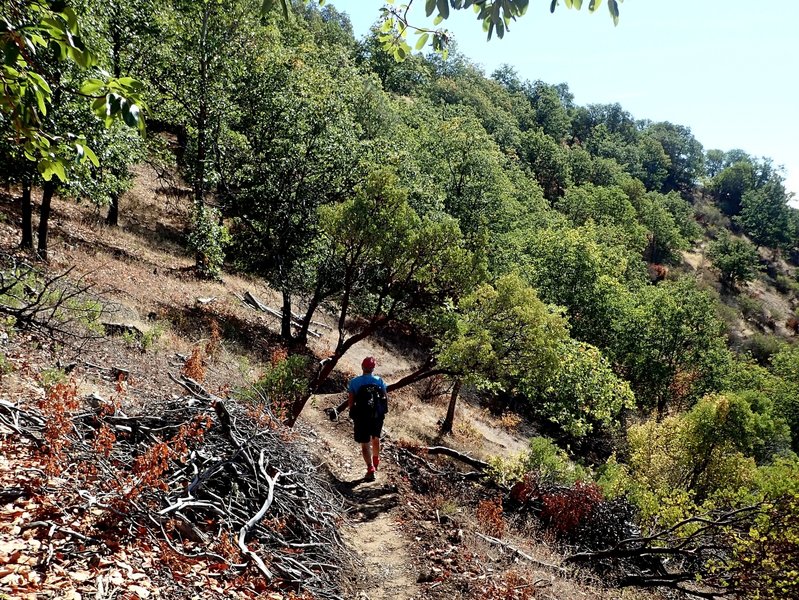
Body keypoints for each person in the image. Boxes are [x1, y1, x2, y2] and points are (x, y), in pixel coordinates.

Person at [347, 356, 388, 482]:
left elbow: (351, 402)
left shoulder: (354, 382)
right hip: (377, 416)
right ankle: (376, 461)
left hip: (362, 416)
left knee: (365, 443)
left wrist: (353, 413)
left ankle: (370, 468)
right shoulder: (379, 381)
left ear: (362, 366)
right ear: (373, 368)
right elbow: (385, 398)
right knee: (375, 438)